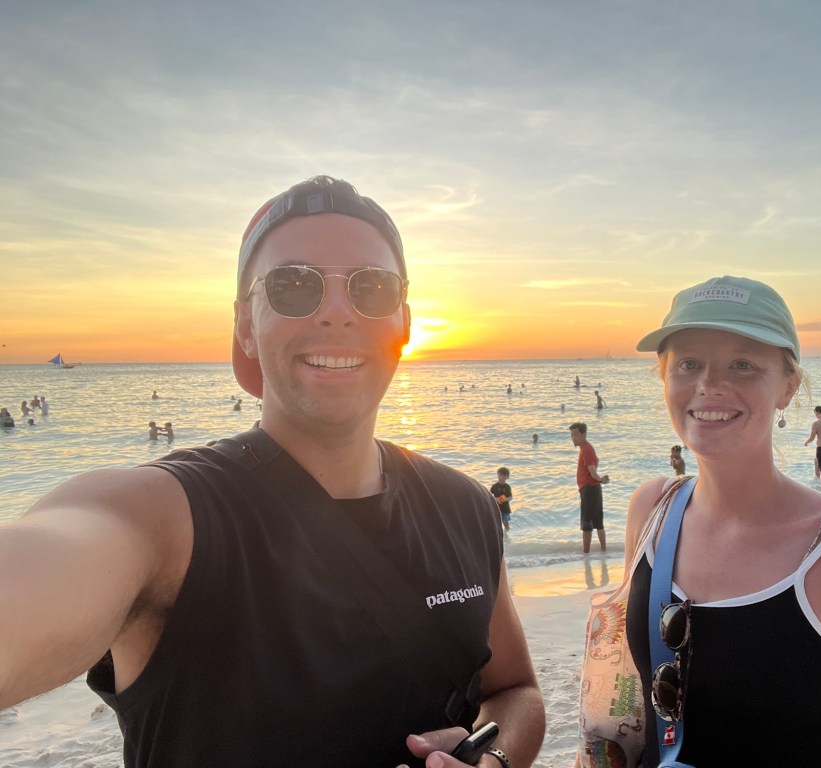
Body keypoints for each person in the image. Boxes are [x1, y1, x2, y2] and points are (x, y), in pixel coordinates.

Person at [0, 175, 543, 768]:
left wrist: (494, 759)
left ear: (405, 322)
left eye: (371, 288)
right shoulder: (165, 520)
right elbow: (58, 554)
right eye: (293, 285)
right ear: (245, 325)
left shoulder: (463, 507)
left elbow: (516, 691)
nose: (337, 312)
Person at [613, 275, 821, 766]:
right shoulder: (652, 510)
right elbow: (633, 708)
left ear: (788, 387)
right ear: (665, 378)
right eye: (688, 363)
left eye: (742, 364)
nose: (709, 385)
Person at [570, 422, 609, 554]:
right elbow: (596, 462)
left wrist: (600, 479)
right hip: (592, 488)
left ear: (583, 434)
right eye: (572, 435)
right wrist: (599, 479)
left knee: (587, 524)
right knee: (598, 522)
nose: (573, 438)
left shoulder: (586, 449)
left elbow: (592, 471)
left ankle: (586, 554)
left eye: (575, 435)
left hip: (589, 490)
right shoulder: (586, 449)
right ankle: (603, 552)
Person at [490, 467, 513, 534]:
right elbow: (489, 496)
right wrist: (496, 499)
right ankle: (498, 534)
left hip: (505, 508)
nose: (501, 477)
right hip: (496, 507)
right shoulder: (494, 486)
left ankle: (507, 535)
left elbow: (510, 497)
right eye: (500, 475)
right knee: (496, 522)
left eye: (503, 476)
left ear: (507, 477)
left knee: (506, 523)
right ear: (498, 475)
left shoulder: (507, 487)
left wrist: (506, 499)